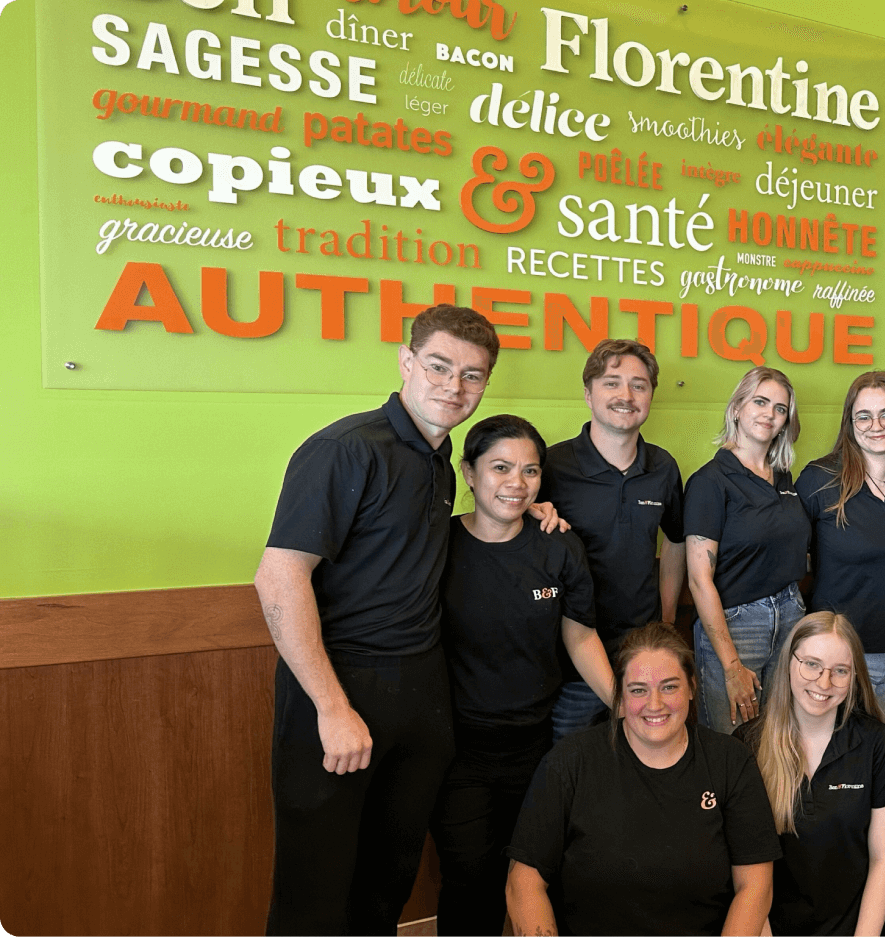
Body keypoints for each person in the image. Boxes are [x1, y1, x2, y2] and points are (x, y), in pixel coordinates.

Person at [254, 304, 499, 934]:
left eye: (473, 376)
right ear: (406, 362)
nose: (454, 386)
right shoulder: (344, 450)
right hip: (336, 691)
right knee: (314, 892)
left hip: (420, 694)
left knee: (385, 883)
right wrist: (332, 709)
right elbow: (279, 578)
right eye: (439, 367)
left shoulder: (442, 462)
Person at [429, 414, 614, 936]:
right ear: (469, 472)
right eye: (501, 468)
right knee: (470, 881)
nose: (516, 483)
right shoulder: (437, 546)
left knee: (538, 876)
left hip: (539, 745)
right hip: (458, 749)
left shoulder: (558, 545)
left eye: (530, 471)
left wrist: (625, 706)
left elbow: (580, 637)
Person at [505, 622, 782, 937]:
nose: (654, 705)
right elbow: (523, 882)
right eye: (638, 689)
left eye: (669, 686)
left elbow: (755, 885)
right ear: (620, 693)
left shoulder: (731, 761)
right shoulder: (569, 762)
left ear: (692, 687)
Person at [539, 339, 686, 741]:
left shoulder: (663, 467)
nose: (626, 395)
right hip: (569, 663)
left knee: (641, 769)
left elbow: (675, 541)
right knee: (571, 772)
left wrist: (667, 619)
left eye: (639, 385)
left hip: (641, 659)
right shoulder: (551, 466)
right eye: (611, 383)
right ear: (588, 394)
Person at [733, 611, 885, 937]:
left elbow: (884, 860)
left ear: (854, 676)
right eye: (811, 664)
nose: (824, 683)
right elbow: (745, 871)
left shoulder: (878, 745)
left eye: (840, 671)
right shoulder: (746, 746)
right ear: (788, 662)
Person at [798, 371, 885, 748]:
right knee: (834, 757)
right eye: (864, 416)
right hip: (838, 660)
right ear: (849, 424)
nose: (876, 426)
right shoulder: (819, 480)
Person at [684, 365, 811, 733]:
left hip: (790, 616)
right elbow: (698, 580)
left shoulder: (784, 478)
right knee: (731, 742)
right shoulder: (710, 482)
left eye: (780, 408)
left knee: (778, 738)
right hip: (738, 625)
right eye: (760, 401)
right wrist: (731, 666)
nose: (769, 414)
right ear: (737, 407)